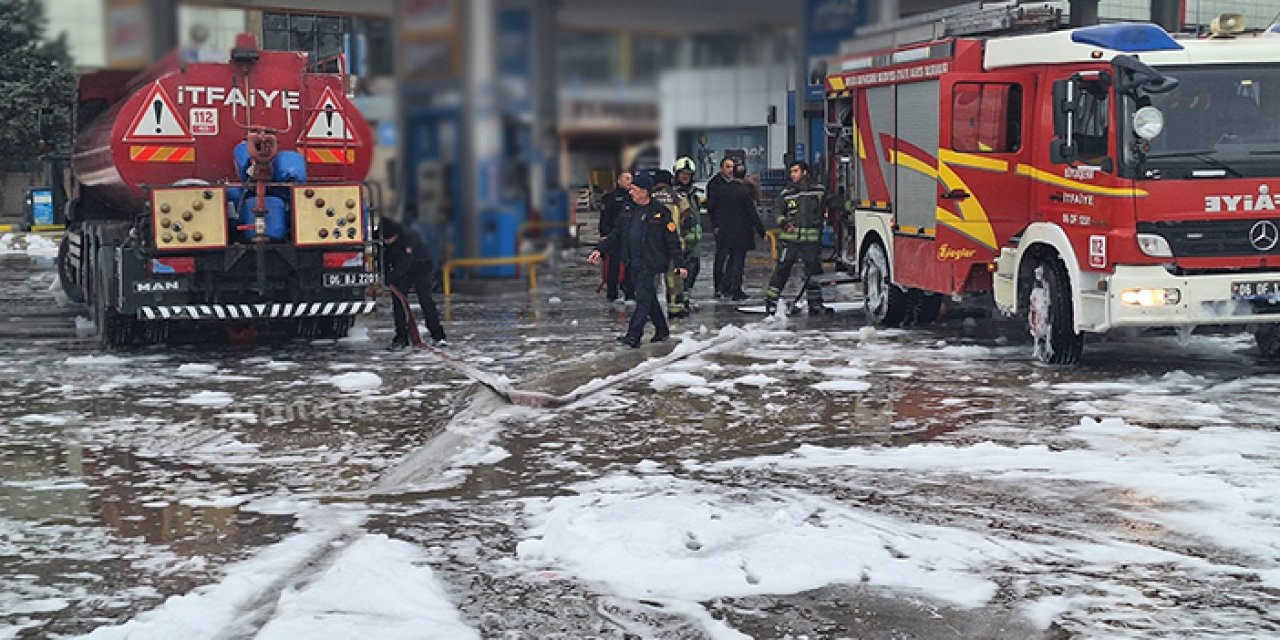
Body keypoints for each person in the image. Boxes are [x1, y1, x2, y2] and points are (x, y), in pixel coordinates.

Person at [589, 174, 687, 348]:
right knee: (648, 296)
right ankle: (662, 330)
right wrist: (600, 250)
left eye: (634, 189)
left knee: (642, 298)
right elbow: (616, 234)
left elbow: (672, 240)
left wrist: (680, 264)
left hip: (651, 261)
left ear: (644, 192)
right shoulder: (628, 209)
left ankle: (634, 335)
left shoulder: (660, 212)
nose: (630, 191)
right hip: (631, 260)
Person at [765, 161, 827, 315]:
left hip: (811, 241)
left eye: (795, 171)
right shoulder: (787, 193)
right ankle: (771, 301)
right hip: (790, 240)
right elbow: (778, 211)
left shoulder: (819, 191)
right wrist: (783, 222)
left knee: (813, 273)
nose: (792, 174)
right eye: (791, 171)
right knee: (782, 270)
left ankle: (815, 303)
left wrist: (848, 205)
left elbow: (831, 202)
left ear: (805, 172)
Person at [381, 218, 446, 349]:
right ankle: (401, 338)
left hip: (420, 267)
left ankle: (438, 335)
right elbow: (381, 258)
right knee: (398, 303)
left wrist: (391, 277)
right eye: (384, 240)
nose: (387, 242)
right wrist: (384, 274)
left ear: (397, 235)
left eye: (389, 239)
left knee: (426, 300)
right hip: (401, 271)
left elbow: (405, 262)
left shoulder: (410, 237)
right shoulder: (381, 236)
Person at [717, 163, 766, 301]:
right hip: (741, 231)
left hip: (726, 230)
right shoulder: (744, 192)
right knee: (738, 260)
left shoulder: (724, 190)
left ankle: (725, 286)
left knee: (731, 260)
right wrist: (761, 231)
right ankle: (736, 289)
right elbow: (751, 214)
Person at [651, 169, 693, 319]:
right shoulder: (679, 197)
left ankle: (650, 311)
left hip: (653, 247)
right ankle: (675, 310)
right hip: (674, 244)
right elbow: (687, 221)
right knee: (674, 280)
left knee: (651, 281)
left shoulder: (649, 197)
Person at [672, 157, 704, 312]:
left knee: (694, 270)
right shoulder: (674, 195)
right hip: (682, 240)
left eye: (688, 174)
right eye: (682, 174)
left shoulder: (693, 194)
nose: (685, 177)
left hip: (695, 241)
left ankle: (686, 299)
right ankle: (680, 301)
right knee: (681, 273)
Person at [598, 170, 634, 304]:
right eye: (626, 178)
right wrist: (605, 235)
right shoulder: (610, 198)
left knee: (630, 267)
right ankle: (612, 293)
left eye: (631, 178)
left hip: (629, 238)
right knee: (613, 267)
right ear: (619, 180)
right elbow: (604, 218)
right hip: (615, 239)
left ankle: (630, 293)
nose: (630, 181)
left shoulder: (633, 197)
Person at [705, 157, 737, 299]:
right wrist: (716, 224)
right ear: (721, 168)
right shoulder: (715, 184)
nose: (731, 170)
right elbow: (712, 207)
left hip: (735, 225)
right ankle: (719, 286)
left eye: (732, 167)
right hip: (722, 225)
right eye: (728, 167)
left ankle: (729, 285)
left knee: (734, 256)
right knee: (721, 256)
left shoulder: (736, 183)